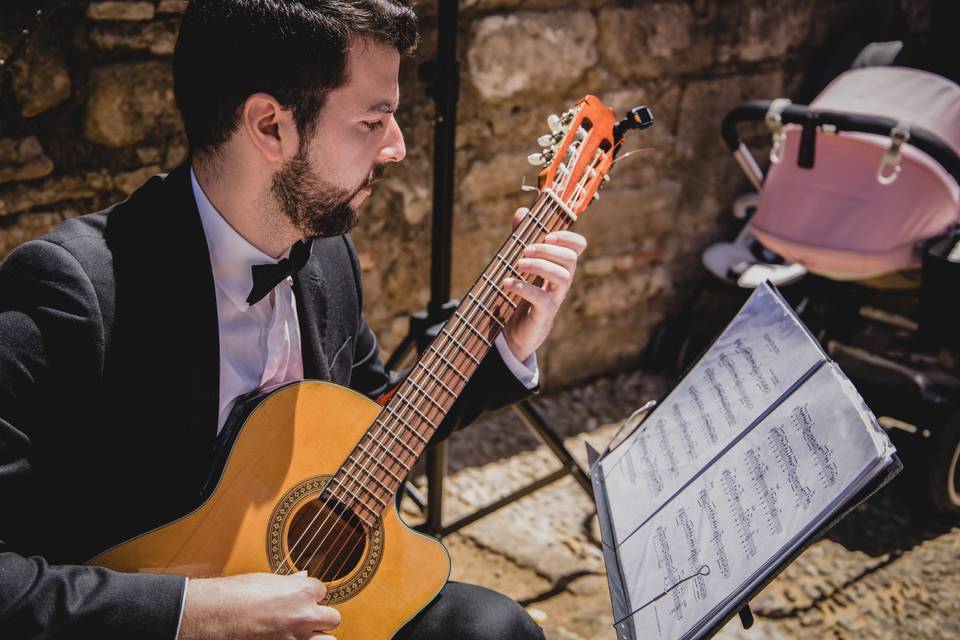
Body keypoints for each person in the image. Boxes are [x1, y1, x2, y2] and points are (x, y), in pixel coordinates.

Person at [0, 1, 588, 639]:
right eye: (373, 120)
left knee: (495, 629)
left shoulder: (327, 257)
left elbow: (371, 428)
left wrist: (500, 349)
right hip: (152, 623)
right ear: (270, 126)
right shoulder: (72, 292)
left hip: (313, 605)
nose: (397, 147)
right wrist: (201, 613)